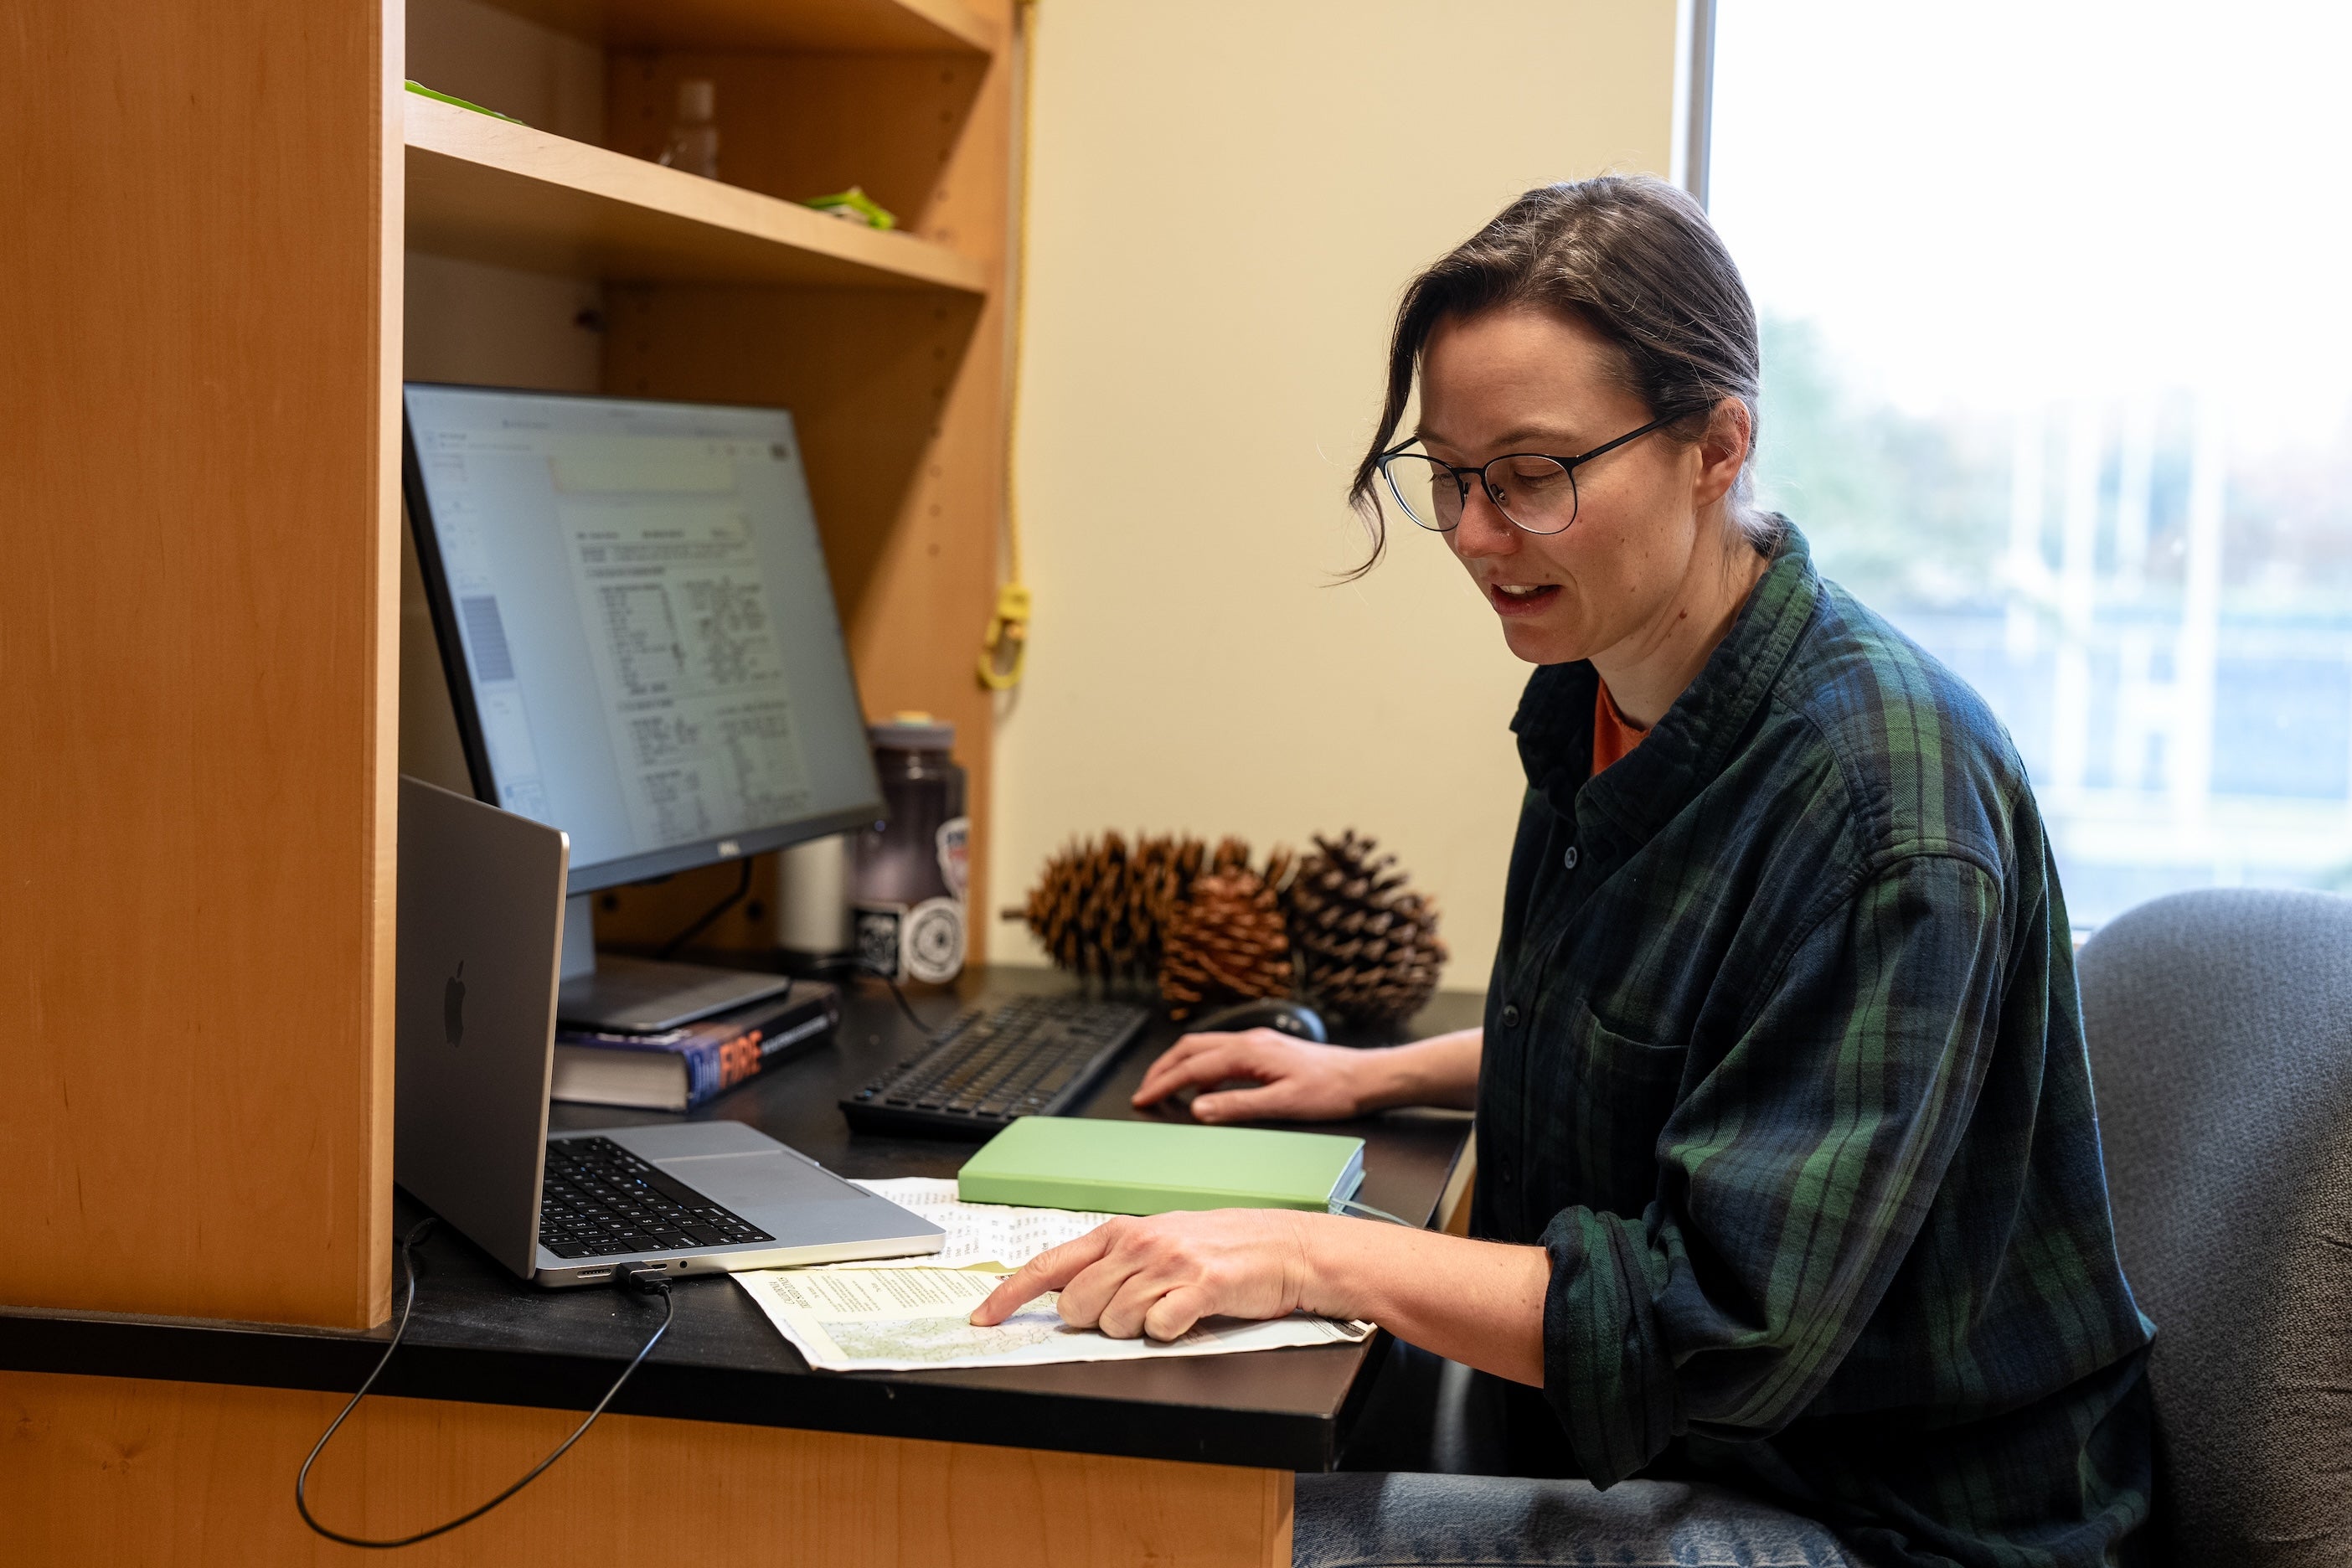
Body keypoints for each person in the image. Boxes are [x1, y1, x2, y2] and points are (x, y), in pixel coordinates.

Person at [972, 176, 2153, 1568]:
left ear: (1718, 446)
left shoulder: (1883, 799)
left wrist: (1307, 1251)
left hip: (1884, 1522)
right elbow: (1691, 1040)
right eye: (1453, 478)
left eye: (1532, 476)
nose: (1477, 535)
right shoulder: (1612, 685)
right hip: (1682, 1458)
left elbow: (1720, 1328)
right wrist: (1378, 1075)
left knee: (1174, 1538)